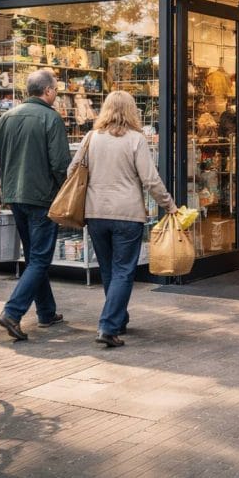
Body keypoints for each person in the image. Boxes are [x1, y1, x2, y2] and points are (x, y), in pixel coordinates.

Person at [73, 90, 177, 348]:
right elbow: (150, 179)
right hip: (127, 215)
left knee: (109, 270)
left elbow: (72, 170)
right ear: (132, 111)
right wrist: (169, 204)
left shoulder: (90, 137)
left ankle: (118, 320)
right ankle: (108, 326)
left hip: (95, 213)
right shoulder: (136, 140)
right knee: (123, 271)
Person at [0, 69, 72, 342]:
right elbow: (60, 164)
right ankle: (13, 312)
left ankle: (46, 312)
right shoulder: (51, 118)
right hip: (42, 198)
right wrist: (67, 192)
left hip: (14, 196)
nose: (56, 94)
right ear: (47, 91)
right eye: (55, 90)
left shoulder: (7, 117)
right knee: (40, 259)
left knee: (35, 256)